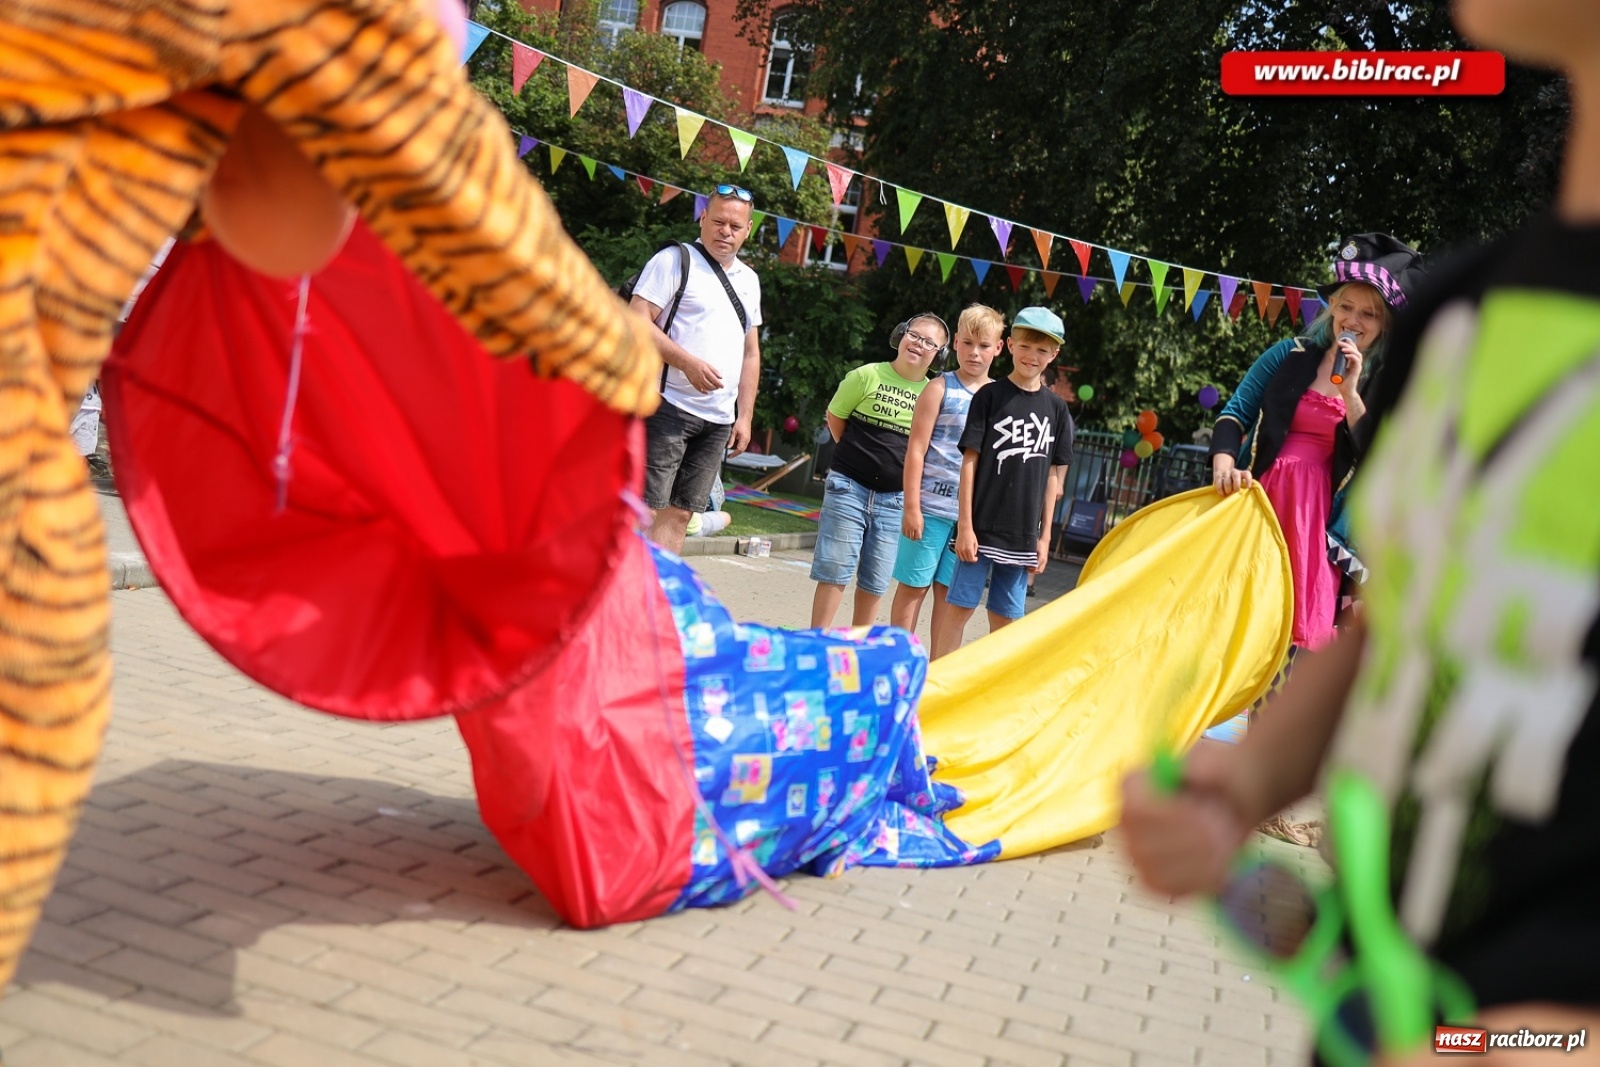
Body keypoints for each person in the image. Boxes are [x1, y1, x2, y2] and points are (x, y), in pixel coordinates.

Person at [1123, 0, 1600, 1060]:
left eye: (1364, 314)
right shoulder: (1464, 307)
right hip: (1384, 1003)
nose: (1352, 323)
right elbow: (1400, 617)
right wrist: (1245, 785)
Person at [1209, 232, 1424, 653]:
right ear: (1331, 307)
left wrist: (1350, 392)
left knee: (1294, 639)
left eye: (1369, 313)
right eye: (1346, 306)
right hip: (1261, 501)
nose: (1353, 320)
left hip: (1320, 522)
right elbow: (1234, 414)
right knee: (1235, 626)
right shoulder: (1288, 354)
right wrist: (1223, 465)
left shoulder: (1389, 384)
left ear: (1385, 323)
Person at [630, 185, 763, 554]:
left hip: (718, 420)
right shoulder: (675, 260)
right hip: (666, 405)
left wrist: (744, 416)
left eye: (735, 226)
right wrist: (686, 363)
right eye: (718, 221)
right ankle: (619, 585)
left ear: (748, 230)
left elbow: (751, 353)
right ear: (703, 218)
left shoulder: (749, 280)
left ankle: (660, 588)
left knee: (681, 514)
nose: (726, 232)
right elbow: (636, 319)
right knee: (644, 508)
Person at [936, 307, 1073, 653]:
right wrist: (965, 526)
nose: (1032, 356)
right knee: (959, 610)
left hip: (1023, 536)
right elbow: (969, 462)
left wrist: (1045, 537)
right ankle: (940, 680)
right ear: (1010, 345)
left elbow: (1052, 480)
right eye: (1025, 346)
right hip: (980, 529)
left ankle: (990, 685)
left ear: (1054, 354)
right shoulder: (989, 397)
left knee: (1005, 620)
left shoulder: (1057, 410)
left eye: (1042, 350)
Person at [809, 313, 947, 629]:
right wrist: (857, 456)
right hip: (848, 489)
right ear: (900, 335)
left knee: (875, 580)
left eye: (929, 342)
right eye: (914, 335)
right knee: (834, 570)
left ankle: (860, 646)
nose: (919, 344)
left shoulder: (934, 393)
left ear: (939, 355)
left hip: (895, 500)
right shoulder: (866, 375)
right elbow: (835, 417)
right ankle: (817, 641)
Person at [888, 304, 1004, 653]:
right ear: (955, 344)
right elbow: (916, 450)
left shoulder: (1000, 399)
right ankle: (899, 660)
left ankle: (939, 669)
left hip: (968, 522)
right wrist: (911, 508)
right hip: (929, 511)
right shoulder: (939, 388)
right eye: (967, 343)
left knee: (950, 597)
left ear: (999, 348)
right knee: (913, 588)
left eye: (984, 345)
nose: (974, 352)